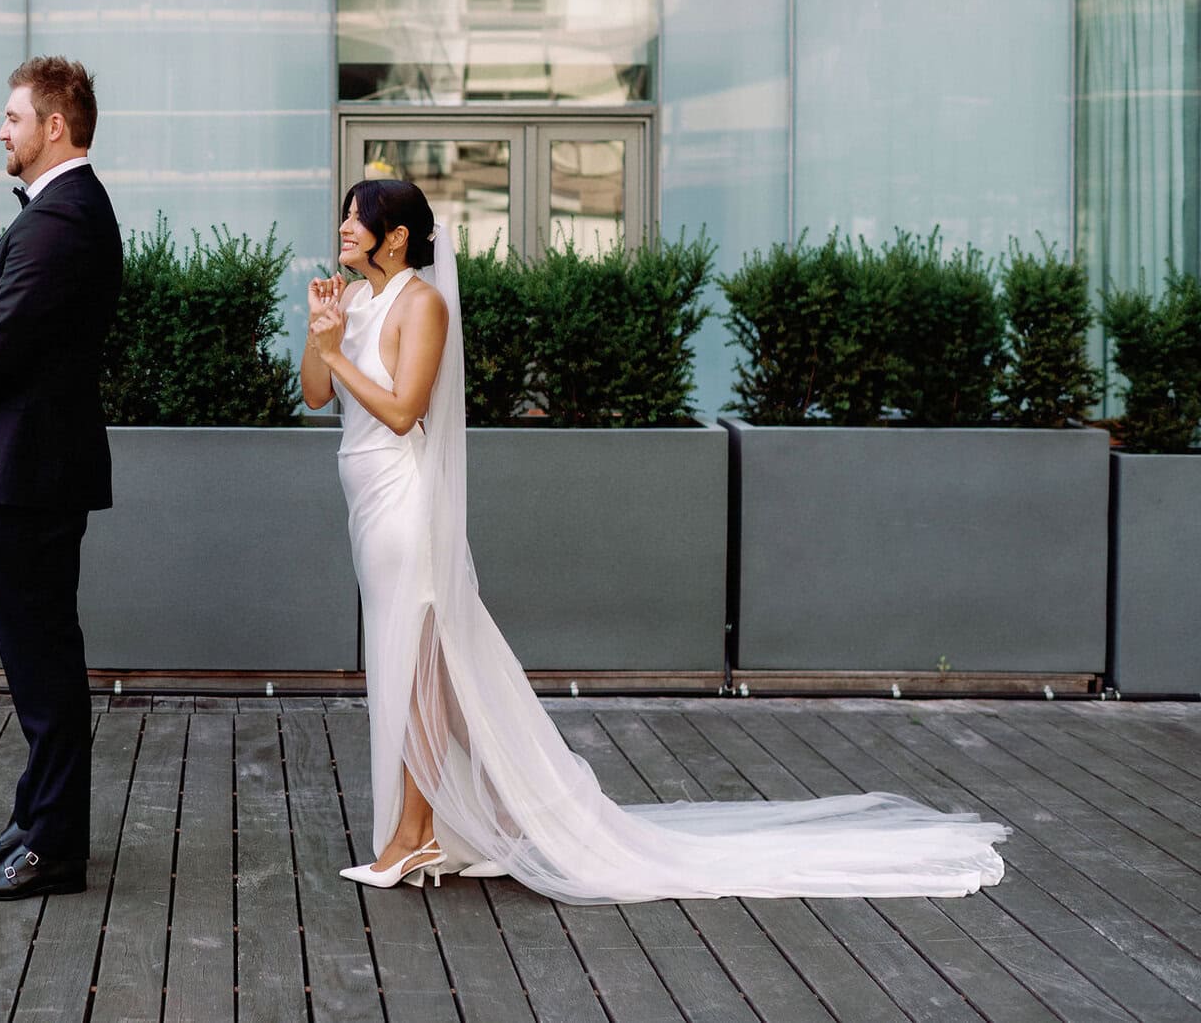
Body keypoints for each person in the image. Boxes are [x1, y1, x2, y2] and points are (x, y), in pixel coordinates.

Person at [300, 178, 1009, 902]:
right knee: (427, 670)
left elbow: (401, 412)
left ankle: (415, 837)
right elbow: (317, 395)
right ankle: (493, 817)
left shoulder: (424, 304)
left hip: (405, 504)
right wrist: (319, 336)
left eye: (360, 217)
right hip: (365, 497)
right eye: (348, 214)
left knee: (420, 665)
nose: (346, 225)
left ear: (396, 236)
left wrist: (338, 352)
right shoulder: (353, 300)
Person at [0, 57, 122, 902]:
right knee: (35, 657)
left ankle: (53, 849)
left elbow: (1, 344)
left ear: (53, 126)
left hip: (31, 474)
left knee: (42, 662)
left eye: (11, 117)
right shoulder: (60, 211)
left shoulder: (64, 218)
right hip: (26, 465)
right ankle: (35, 820)